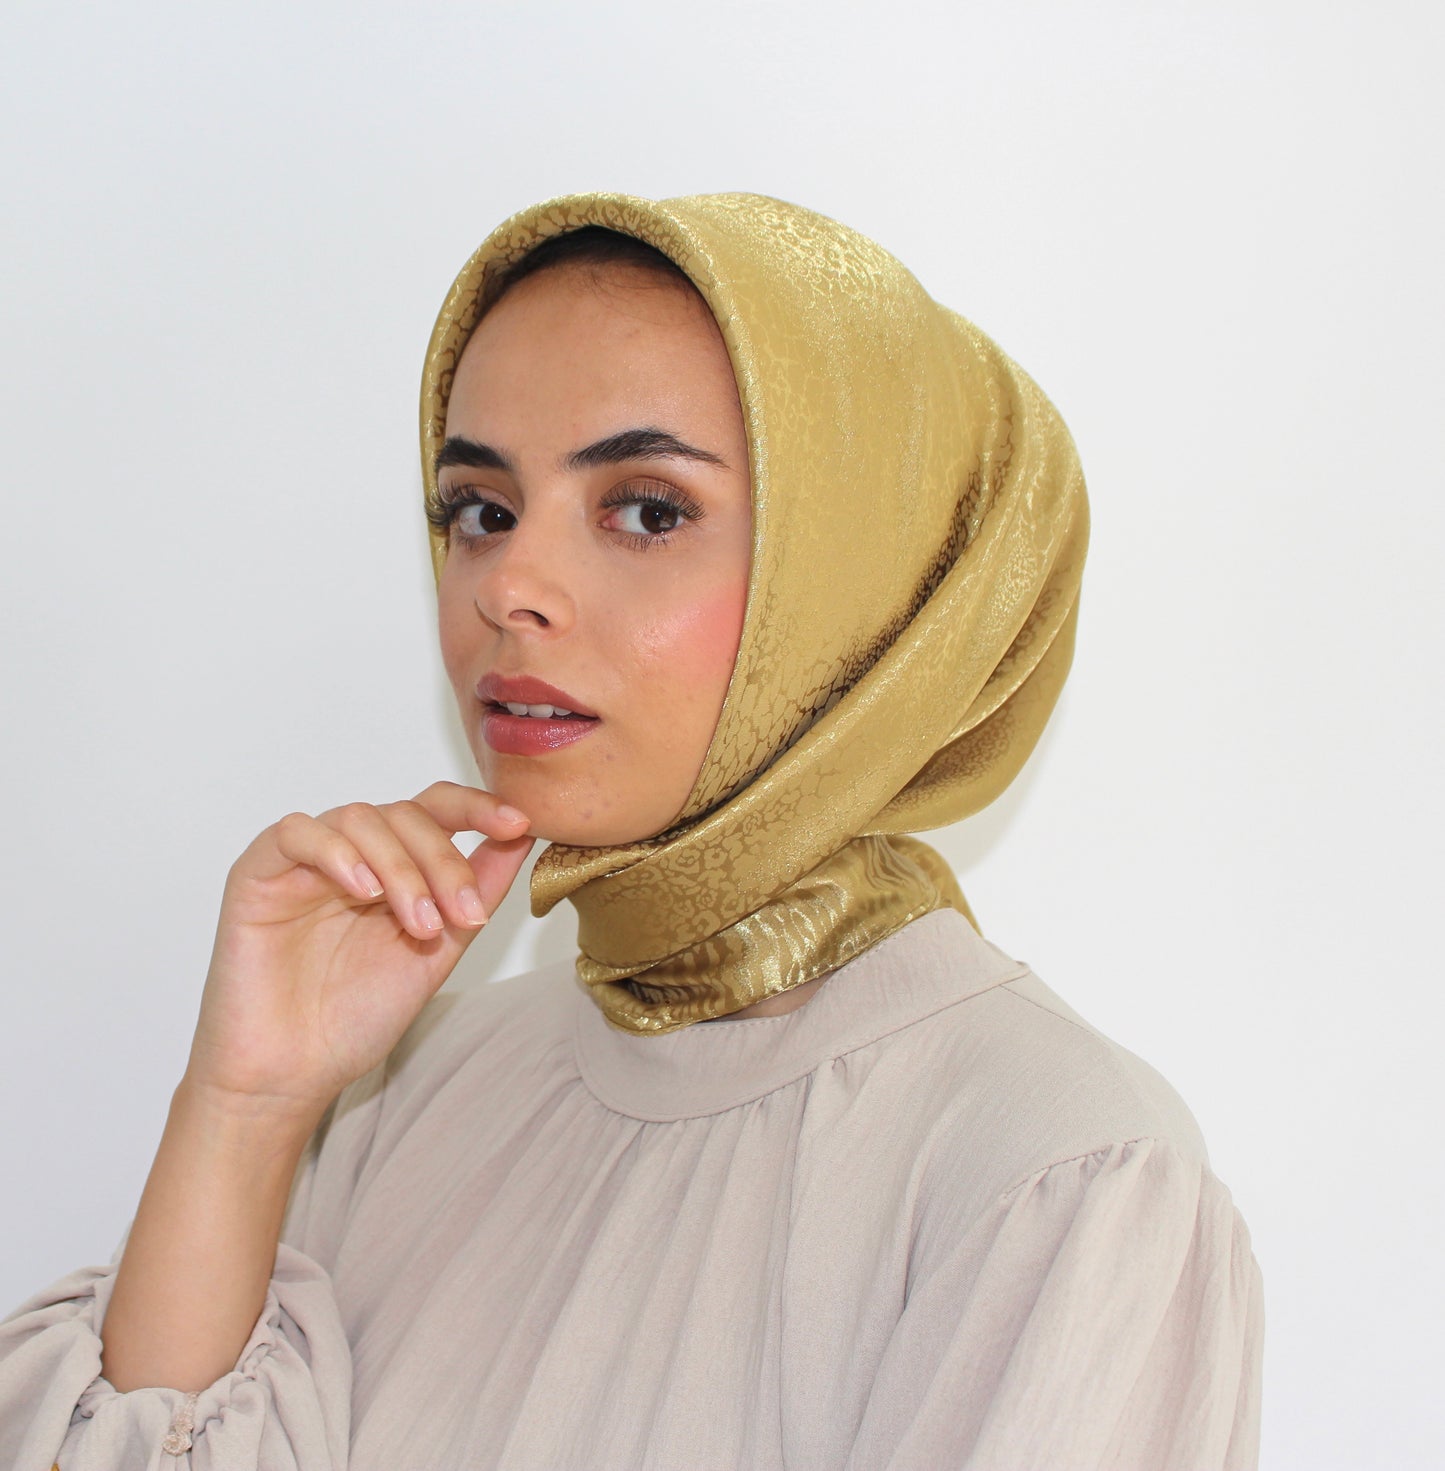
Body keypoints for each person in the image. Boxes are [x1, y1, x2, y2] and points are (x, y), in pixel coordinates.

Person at [0, 191, 1264, 1470]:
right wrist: (246, 1109)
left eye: (647, 509)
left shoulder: (1053, 1174)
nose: (508, 586)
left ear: (866, 581)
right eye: (480, 509)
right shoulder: (413, 1088)